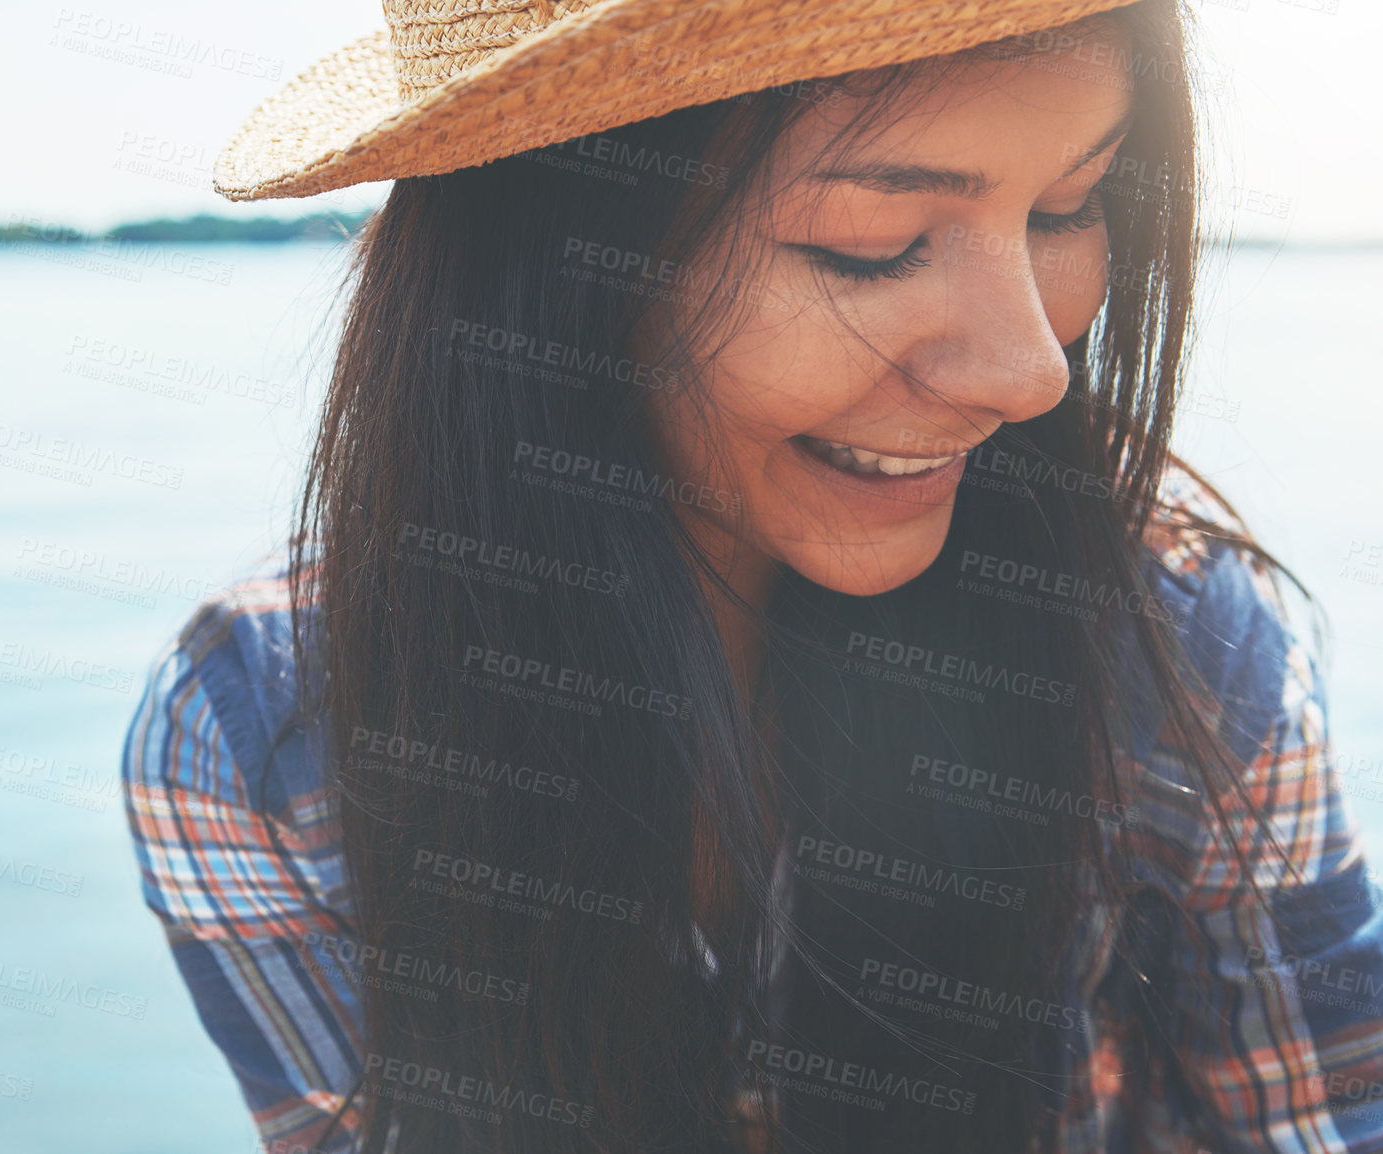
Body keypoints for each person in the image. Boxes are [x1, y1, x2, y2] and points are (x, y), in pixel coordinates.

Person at [121, 0, 1383, 1150]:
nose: (1029, 372)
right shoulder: (258, 737)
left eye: (1068, 208)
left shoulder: (1181, 648)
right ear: (557, 262)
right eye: (871, 243)